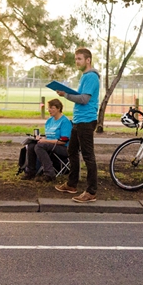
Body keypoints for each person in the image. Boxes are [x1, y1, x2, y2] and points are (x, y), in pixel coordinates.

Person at [54, 48, 101, 203]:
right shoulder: (84, 76)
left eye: (79, 59)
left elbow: (84, 99)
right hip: (79, 120)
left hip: (86, 121)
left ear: (88, 60)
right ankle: (71, 184)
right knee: (72, 150)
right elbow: (80, 96)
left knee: (88, 156)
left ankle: (91, 192)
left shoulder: (92, 77)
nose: (77, 62)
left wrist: (66, 95)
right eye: (76, 59)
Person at [21, 99, 73, 182]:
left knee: (40, 146)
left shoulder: (65, 121)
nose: (49, 110)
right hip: (49, 145)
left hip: (63, 148)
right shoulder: (49, 121)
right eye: (48, 108)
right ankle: (30, 172)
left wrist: (45, 141)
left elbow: (63, 141)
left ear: (58, 108)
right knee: (31, 145)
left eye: (52, 108)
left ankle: (49, 174)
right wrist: (41, 138)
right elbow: (49, 136)